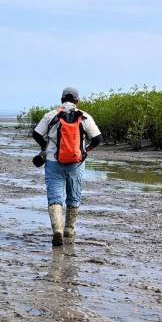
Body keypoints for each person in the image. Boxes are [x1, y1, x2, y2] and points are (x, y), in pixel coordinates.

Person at [32, 87, 102, 246]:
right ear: (77, 100)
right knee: (74, 195)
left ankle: (57, 229)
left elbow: (36, 134)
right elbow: (97, 138)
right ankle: (69, 229)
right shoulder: (84, 116)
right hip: (77, 163)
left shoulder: (50, 115)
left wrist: (45, 147)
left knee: (55, 198)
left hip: (53, 162)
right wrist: (85, 151)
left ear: (62, 100)